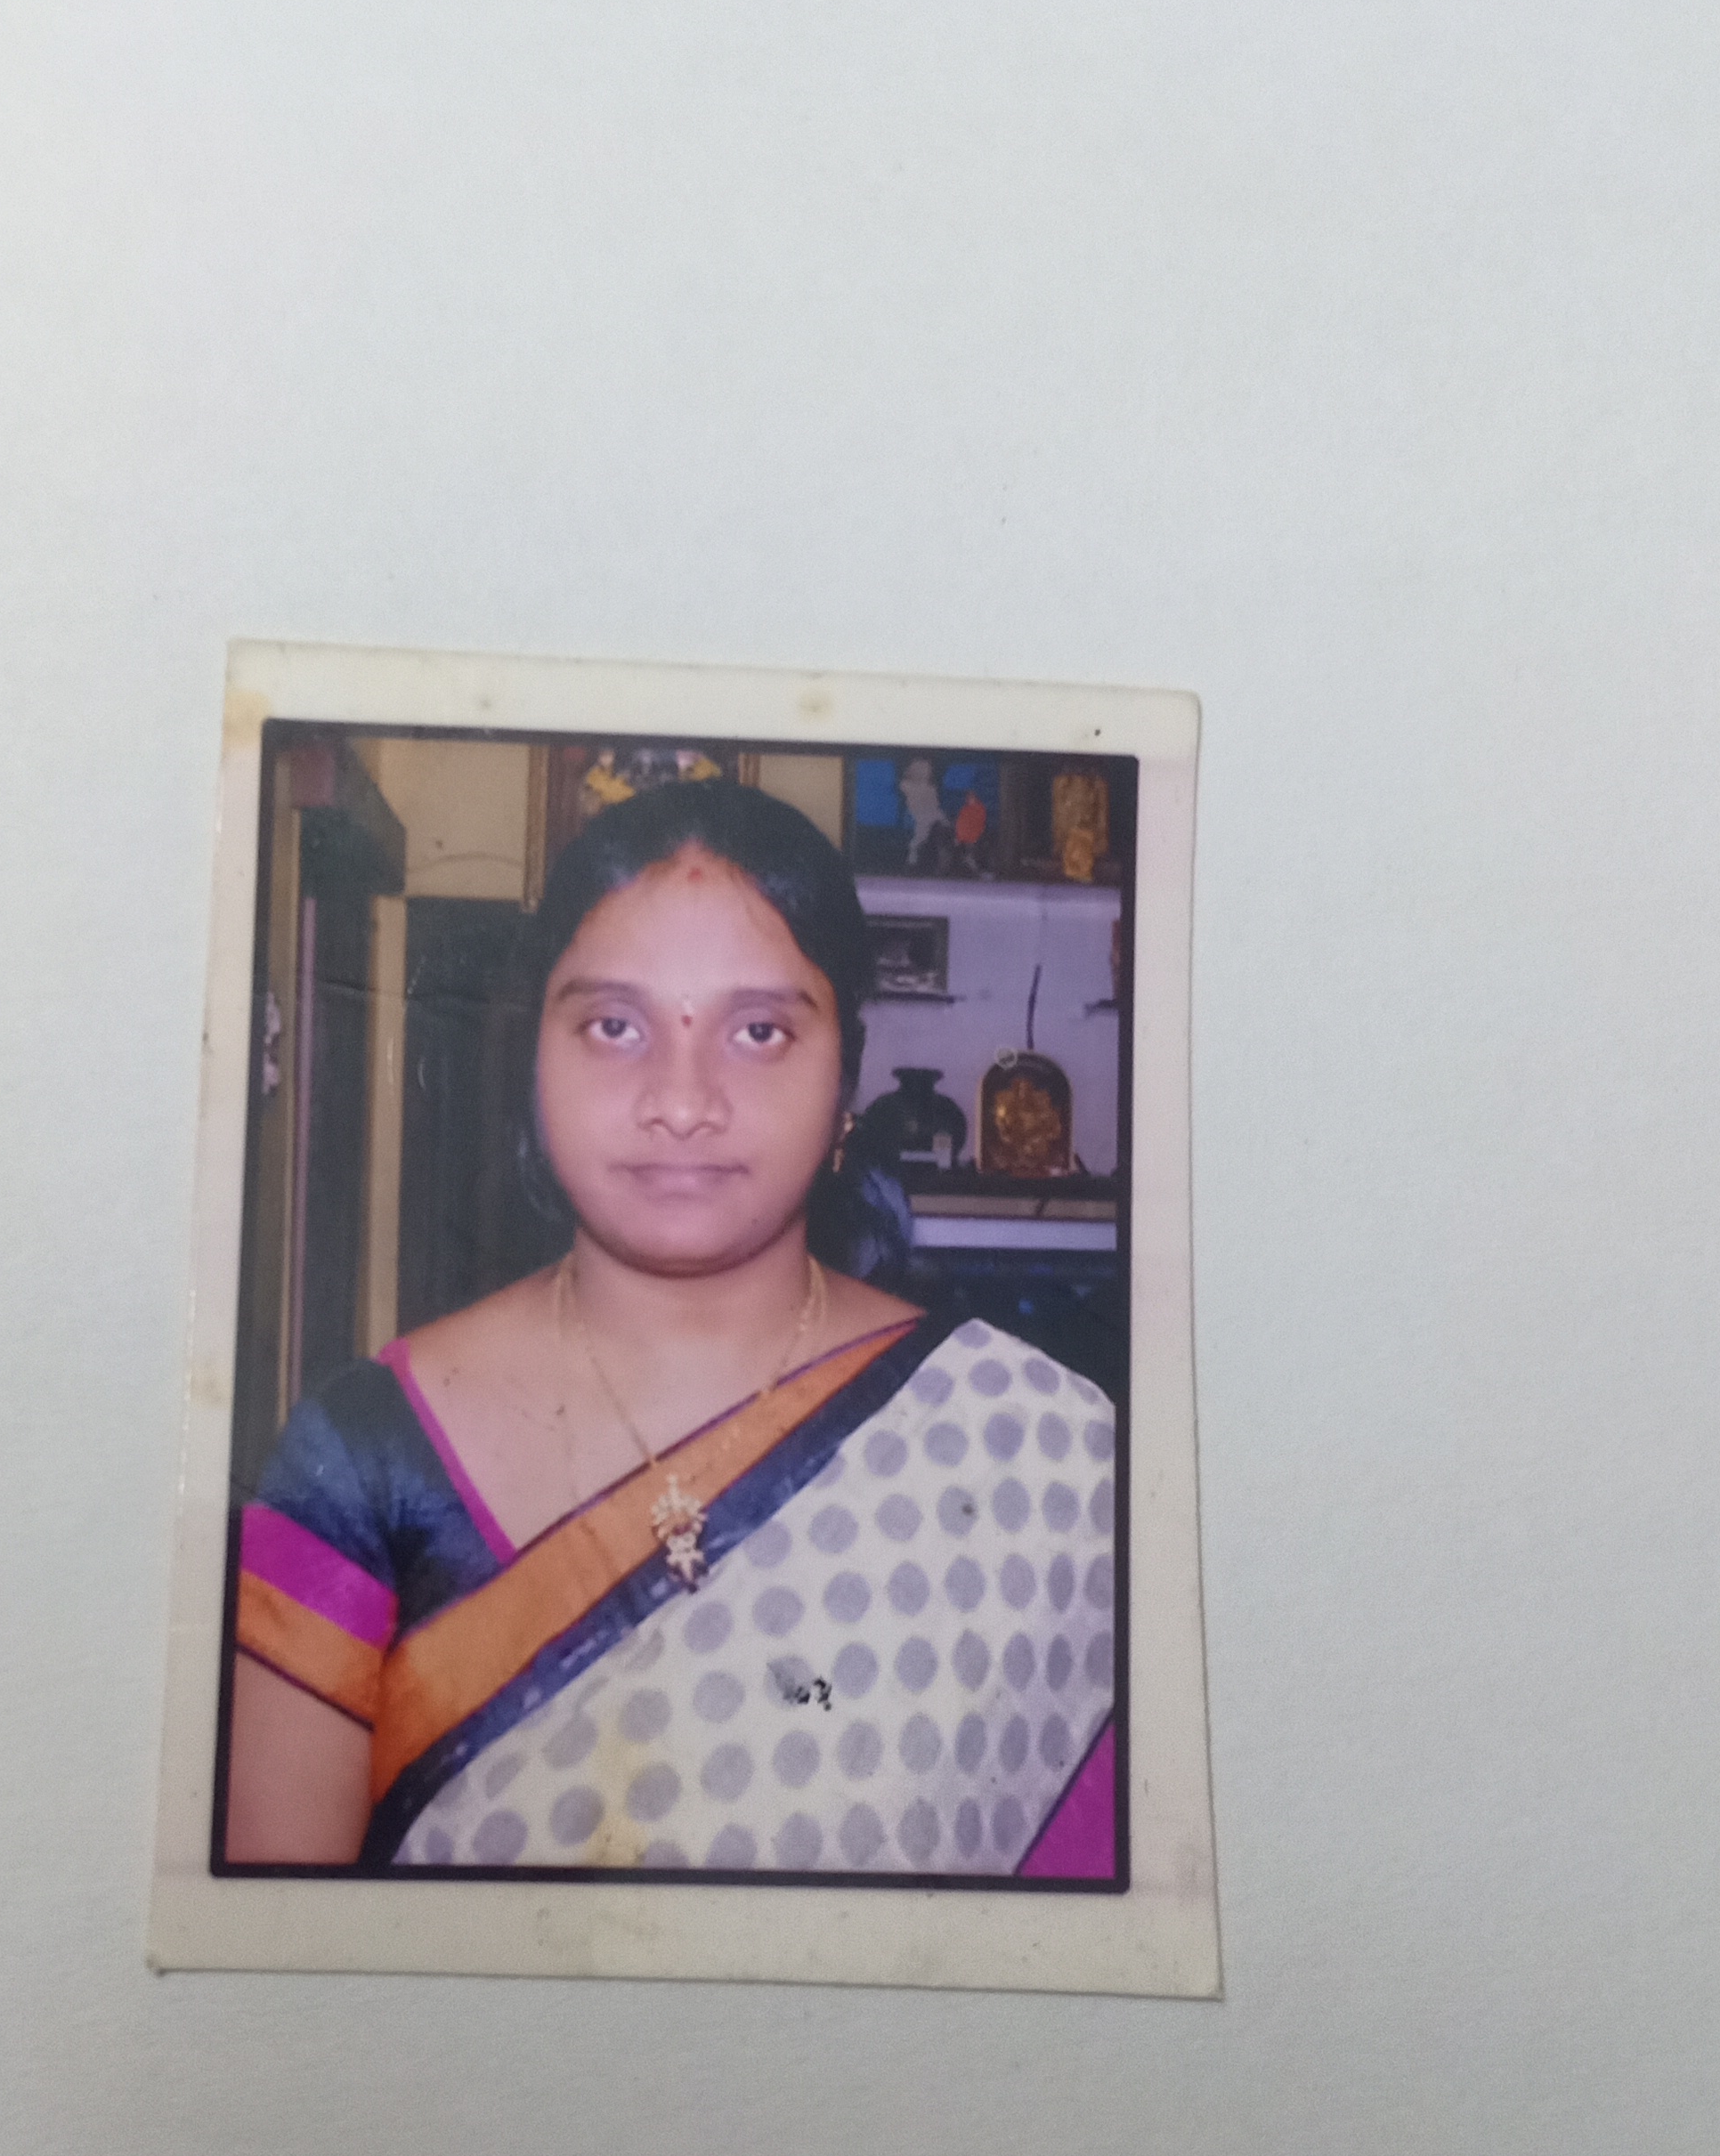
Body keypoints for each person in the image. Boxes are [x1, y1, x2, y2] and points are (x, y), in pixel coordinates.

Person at [223, 776, 1120, 1880]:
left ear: (847, 1076)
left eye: (758, 1031)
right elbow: (271, 1956)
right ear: (533, 1054)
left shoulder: (1029, 1449)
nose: (682, 1102)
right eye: (615, 1026)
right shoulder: (358, 1462)